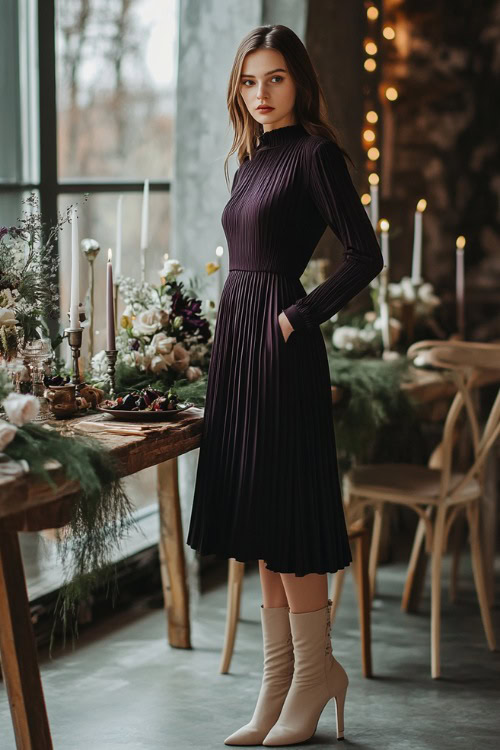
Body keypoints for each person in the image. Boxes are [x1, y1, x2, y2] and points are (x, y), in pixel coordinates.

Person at [186, 23, 383, 746]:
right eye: (248, 81)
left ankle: (316, 673)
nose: (261, 94)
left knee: (289, 519)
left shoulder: (315, 154)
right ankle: (279, 684)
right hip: (239, 343)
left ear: (298, 80)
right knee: (263, 520)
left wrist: (299, 315)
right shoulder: (252, 156)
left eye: (274, 78)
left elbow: (365, 255)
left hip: (278, 345)